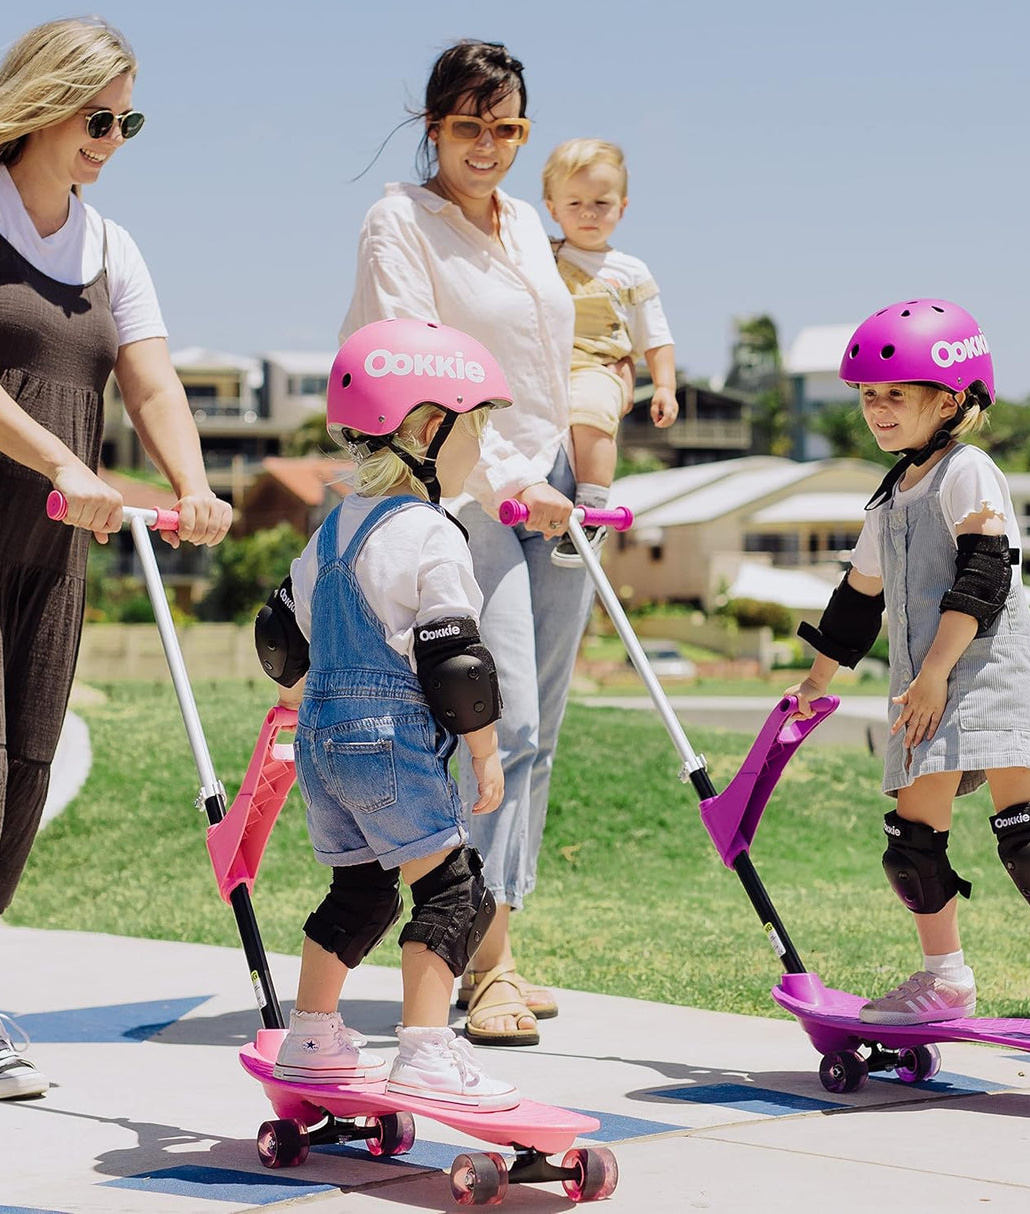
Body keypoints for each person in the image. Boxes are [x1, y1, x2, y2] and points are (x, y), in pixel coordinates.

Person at [0, 17, 232, 1100]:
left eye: (129, 120)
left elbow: (152, 382)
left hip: (47, 544)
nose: (112, 137)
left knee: (22, 757)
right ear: (42, 100)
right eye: (97, 115)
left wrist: (192, 483)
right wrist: (63, 464)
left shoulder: (110, 243)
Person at [341, 39, 589, 1047]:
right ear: (432, 126)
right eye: (468, 125)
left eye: (508, 127)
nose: (488, 145)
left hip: (554, 490)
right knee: (504, 722)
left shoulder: (527, 222)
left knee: (537, 744)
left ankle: (500, 951)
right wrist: (504, 480)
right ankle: (467, 963)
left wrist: (572, 470)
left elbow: (550, 360)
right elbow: (415, 374)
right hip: (467, 497)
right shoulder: (399, 221)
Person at [790, 299, 1030, 1043]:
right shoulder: (890, 495)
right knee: (911, 841)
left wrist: (934, 675)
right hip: (923, 688)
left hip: (982, 676)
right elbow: (857, 603)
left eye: (897, 395)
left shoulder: (968, 471)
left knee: (1028, 835)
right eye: (868, 396)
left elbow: (983, 578)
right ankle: (945, 977)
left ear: (951, 400)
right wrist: (816, 681)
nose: (878, 411)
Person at [255, 318, 518, 1108]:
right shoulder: (431, 534)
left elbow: (278, 635)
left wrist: (309, 704)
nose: (484, 450)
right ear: (430, 430)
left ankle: (313, 1034)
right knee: (455, 892)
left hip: (322, 745)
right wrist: (483, 750)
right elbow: (454, 659)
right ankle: (427, 1050)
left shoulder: (330, 530)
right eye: (479, 429)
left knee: (360, 892)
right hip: (391, 741)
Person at [541, 138, 678, 566]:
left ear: (623, 206)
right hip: (544, 364)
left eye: (601, 202)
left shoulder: (630, 271)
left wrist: (665, 386)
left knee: (591, 410)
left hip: (597, 366)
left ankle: (593, 510)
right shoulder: (540, 255)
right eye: (575, 202)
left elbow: (655, 335)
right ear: (551, 207)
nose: (588, 213)